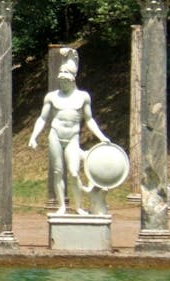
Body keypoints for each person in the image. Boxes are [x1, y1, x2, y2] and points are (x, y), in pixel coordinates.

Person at [28, 50, 109, 215]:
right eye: (61, 79)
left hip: (72, 136)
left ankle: (78, 206)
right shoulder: (51, 96)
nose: (62, 82)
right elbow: (43, 118)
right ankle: (62, 206)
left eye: (65, 79)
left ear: (72, 80)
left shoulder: (83, 97)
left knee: (73, 172)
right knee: (57, 171)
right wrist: (33, 136)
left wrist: (102, 137)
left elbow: (89, 119)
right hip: (56, 135)